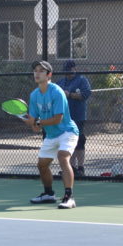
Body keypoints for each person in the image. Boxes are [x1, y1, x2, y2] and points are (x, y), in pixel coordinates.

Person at [24, 61, 79, 209]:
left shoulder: (57, 92)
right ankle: (48, 194)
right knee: (42, 165)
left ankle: (69, 197)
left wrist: (38, 123)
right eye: (35, 70)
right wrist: (33, 125)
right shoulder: (34, 95)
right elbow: (35, 123)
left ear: (49, 75)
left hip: (67, 131)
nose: (37, 73)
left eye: (41, 71)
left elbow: (57, 118)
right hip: (51, 135)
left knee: (62, 157)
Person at [56, 60, 91, 176]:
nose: (68, 74)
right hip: (64, 118)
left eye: (70, 71)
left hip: (78, 116)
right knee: (67, 142)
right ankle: (71, 167)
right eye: (66, 72)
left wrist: (70, 94)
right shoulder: (61, 82)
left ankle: (81, 168)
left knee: (79, 141)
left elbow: (85, 94)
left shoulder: (82, 80)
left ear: (75, 69)